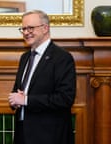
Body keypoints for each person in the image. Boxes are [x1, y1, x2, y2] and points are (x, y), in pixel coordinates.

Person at [8, 10, 76, 144]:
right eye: (23, 29)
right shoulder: (25, 58)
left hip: (49, 136)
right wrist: (14, 100)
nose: (26, 32)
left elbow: (65, 98)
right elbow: (19, 91)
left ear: (45, 28)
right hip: (23, 133)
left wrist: (26, 100)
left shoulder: (62, 58)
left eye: (30, 28)